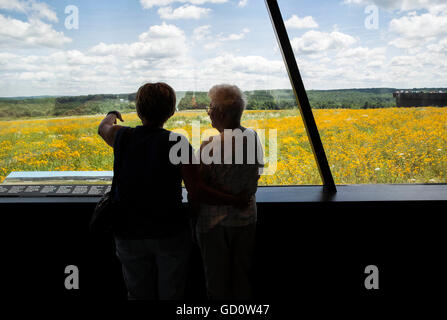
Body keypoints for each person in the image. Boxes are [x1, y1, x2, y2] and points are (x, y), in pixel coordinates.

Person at [97, 82, 249, 300]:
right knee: (172, 293)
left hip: (128, 231)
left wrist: (112, 114)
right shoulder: (177, 142)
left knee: (137, 294)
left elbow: (102, 128)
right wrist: (234, 199)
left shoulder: (122, 136)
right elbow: (196, 191)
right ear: (170, 112)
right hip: (169, 231)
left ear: (139, 111)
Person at [195, 84, 264, 300]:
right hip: (246, 219)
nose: (208, 115)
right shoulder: (253, 137)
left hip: (214, 224)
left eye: (210, 110)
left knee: (216, 282)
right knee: (242, 278)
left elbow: (199, 187)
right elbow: (257, 173)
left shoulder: (210, 145)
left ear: (221, 113)